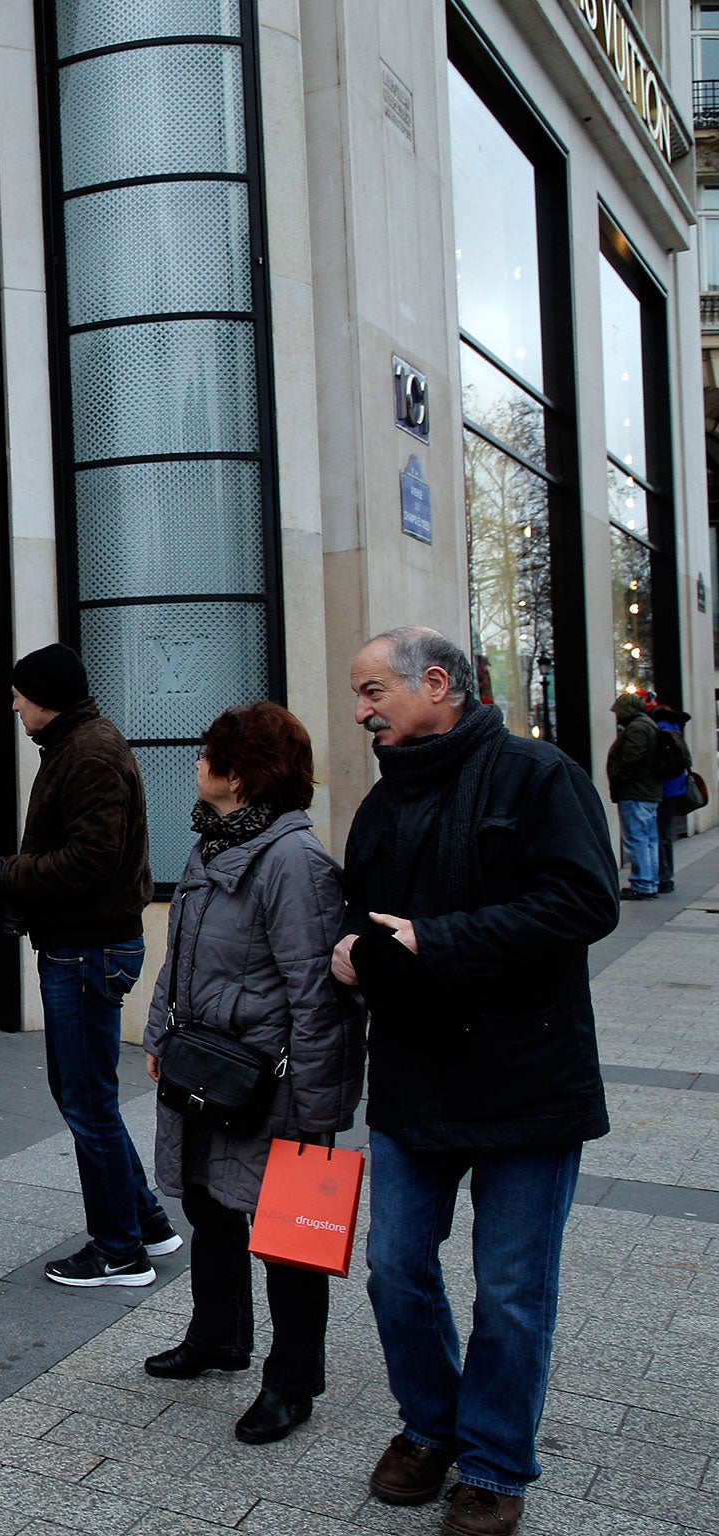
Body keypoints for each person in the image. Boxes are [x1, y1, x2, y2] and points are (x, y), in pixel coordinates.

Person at [332, 627, 617, 1536]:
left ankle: (493, 1465)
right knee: (392, 1269)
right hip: (415, 1082)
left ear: (438, 684)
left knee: (511, 1290)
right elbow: (363, 919)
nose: (361, 711)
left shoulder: (539, 777)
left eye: (374, 691)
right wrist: (351, 956)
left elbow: (584, 901)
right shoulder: (382, 802)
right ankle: (431, 1425)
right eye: (360, 694)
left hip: (527, 1082)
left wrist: (436, 940)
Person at [140, 702, 364, 1446]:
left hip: (274, 1081)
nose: (197, 765)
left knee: (292, 1236)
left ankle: (292, 1381)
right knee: (208, 1202)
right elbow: (179, 956)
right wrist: (157, 1035)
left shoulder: (295, 863)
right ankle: (219, 1337)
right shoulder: (212, 844)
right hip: (207, 1064)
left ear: (239, 774)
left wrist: (318, 1103)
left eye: (208, 755)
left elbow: (317, 991)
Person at [0, 643, 181, 1287]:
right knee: (86, 1096)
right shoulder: (78, 745)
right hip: (85, 943)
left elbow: (91, 859)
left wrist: (10, 872)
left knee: (86, 1102)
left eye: (19, 694)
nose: (12, 704)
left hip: (87, 949)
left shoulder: (89, 751)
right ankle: (145, 1221)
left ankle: (119, 1251)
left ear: (46, 697)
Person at [606, 692, 665, 901]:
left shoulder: (638, 728)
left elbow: (632, 758)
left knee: (637, 838)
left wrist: (619, 777)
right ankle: (649, 881)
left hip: (636, 791)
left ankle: (643, 882)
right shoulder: (647, 724)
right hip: (646, 791)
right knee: (648, 838)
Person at [647, 698, 693, 894]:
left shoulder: (661, 730)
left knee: (659, 834)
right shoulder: (676, 729)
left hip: (662, 788)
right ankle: (667, 876)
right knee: (666, 833)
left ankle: (663, 877)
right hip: (676, 787)